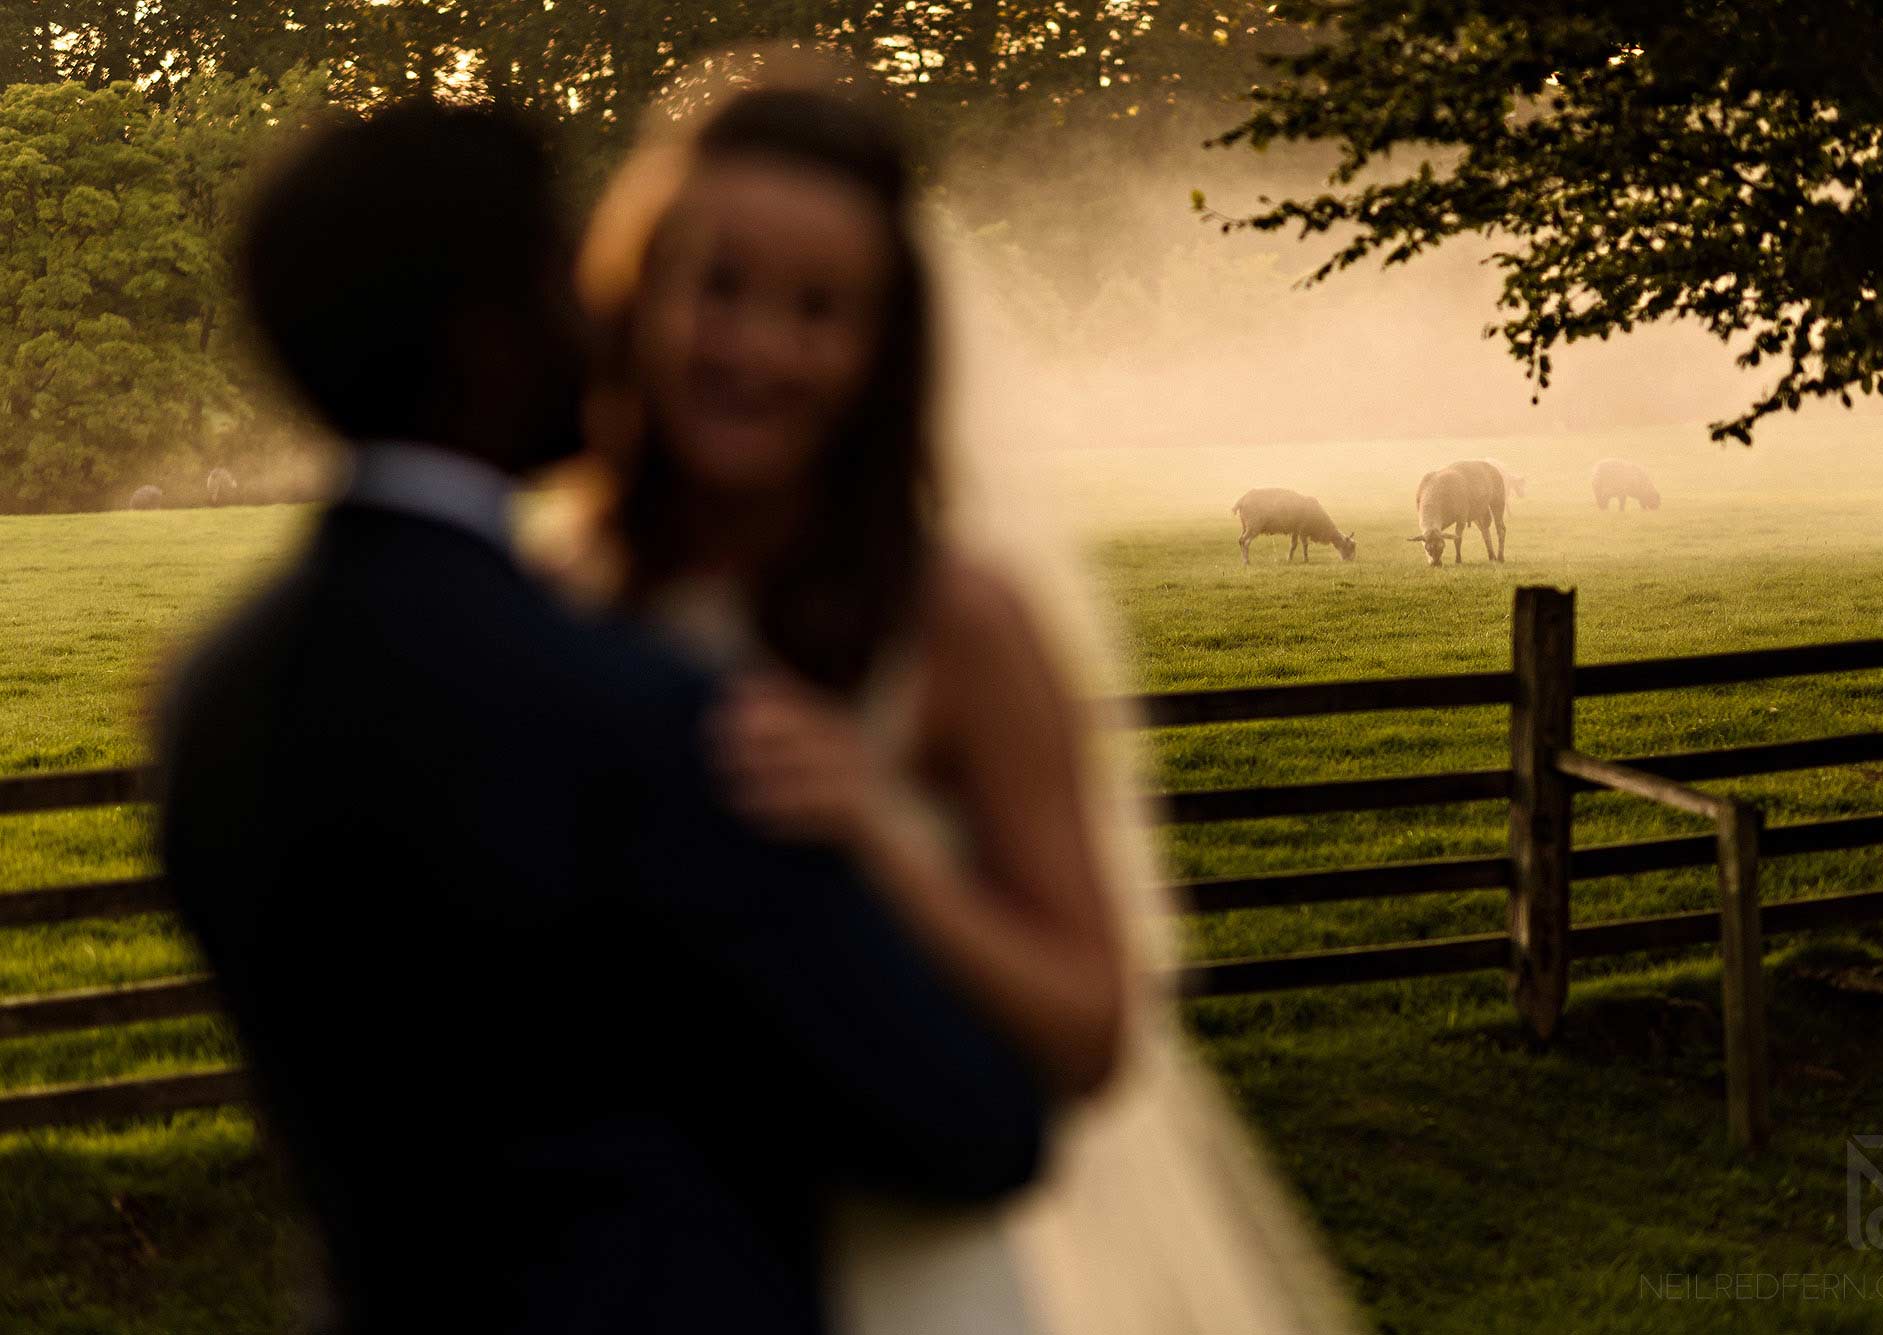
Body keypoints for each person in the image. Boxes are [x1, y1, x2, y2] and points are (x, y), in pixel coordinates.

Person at [156, 100, 1048, 1335]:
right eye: (559, 283)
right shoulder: (635, 703)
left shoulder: (208, 693)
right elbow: (972, 1128)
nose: (598, 322)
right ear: (489, 341)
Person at [556, 76, 1369, 1334]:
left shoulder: (955, 624)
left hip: (896, 1281)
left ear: (885, 349)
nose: (758, 347)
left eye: (819, 310)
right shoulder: (562, 594)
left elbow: (1094, 1027)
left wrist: (878, 828)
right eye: (717, 287)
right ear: (638, 290)